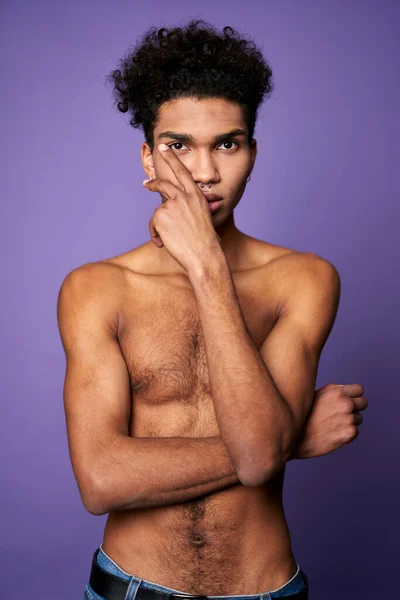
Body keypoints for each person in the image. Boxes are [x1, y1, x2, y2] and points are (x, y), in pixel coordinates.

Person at [56, 20, 368, 600]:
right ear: (148, 156)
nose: (204, 172)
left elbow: (258, 457)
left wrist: (206, 266)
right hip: (130, 589)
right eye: (178, 145)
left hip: (266, 589)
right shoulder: (95, 288)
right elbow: (100, 481)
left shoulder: (303, 279)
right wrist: (287, 440)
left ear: (253, 150)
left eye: (228, 143)